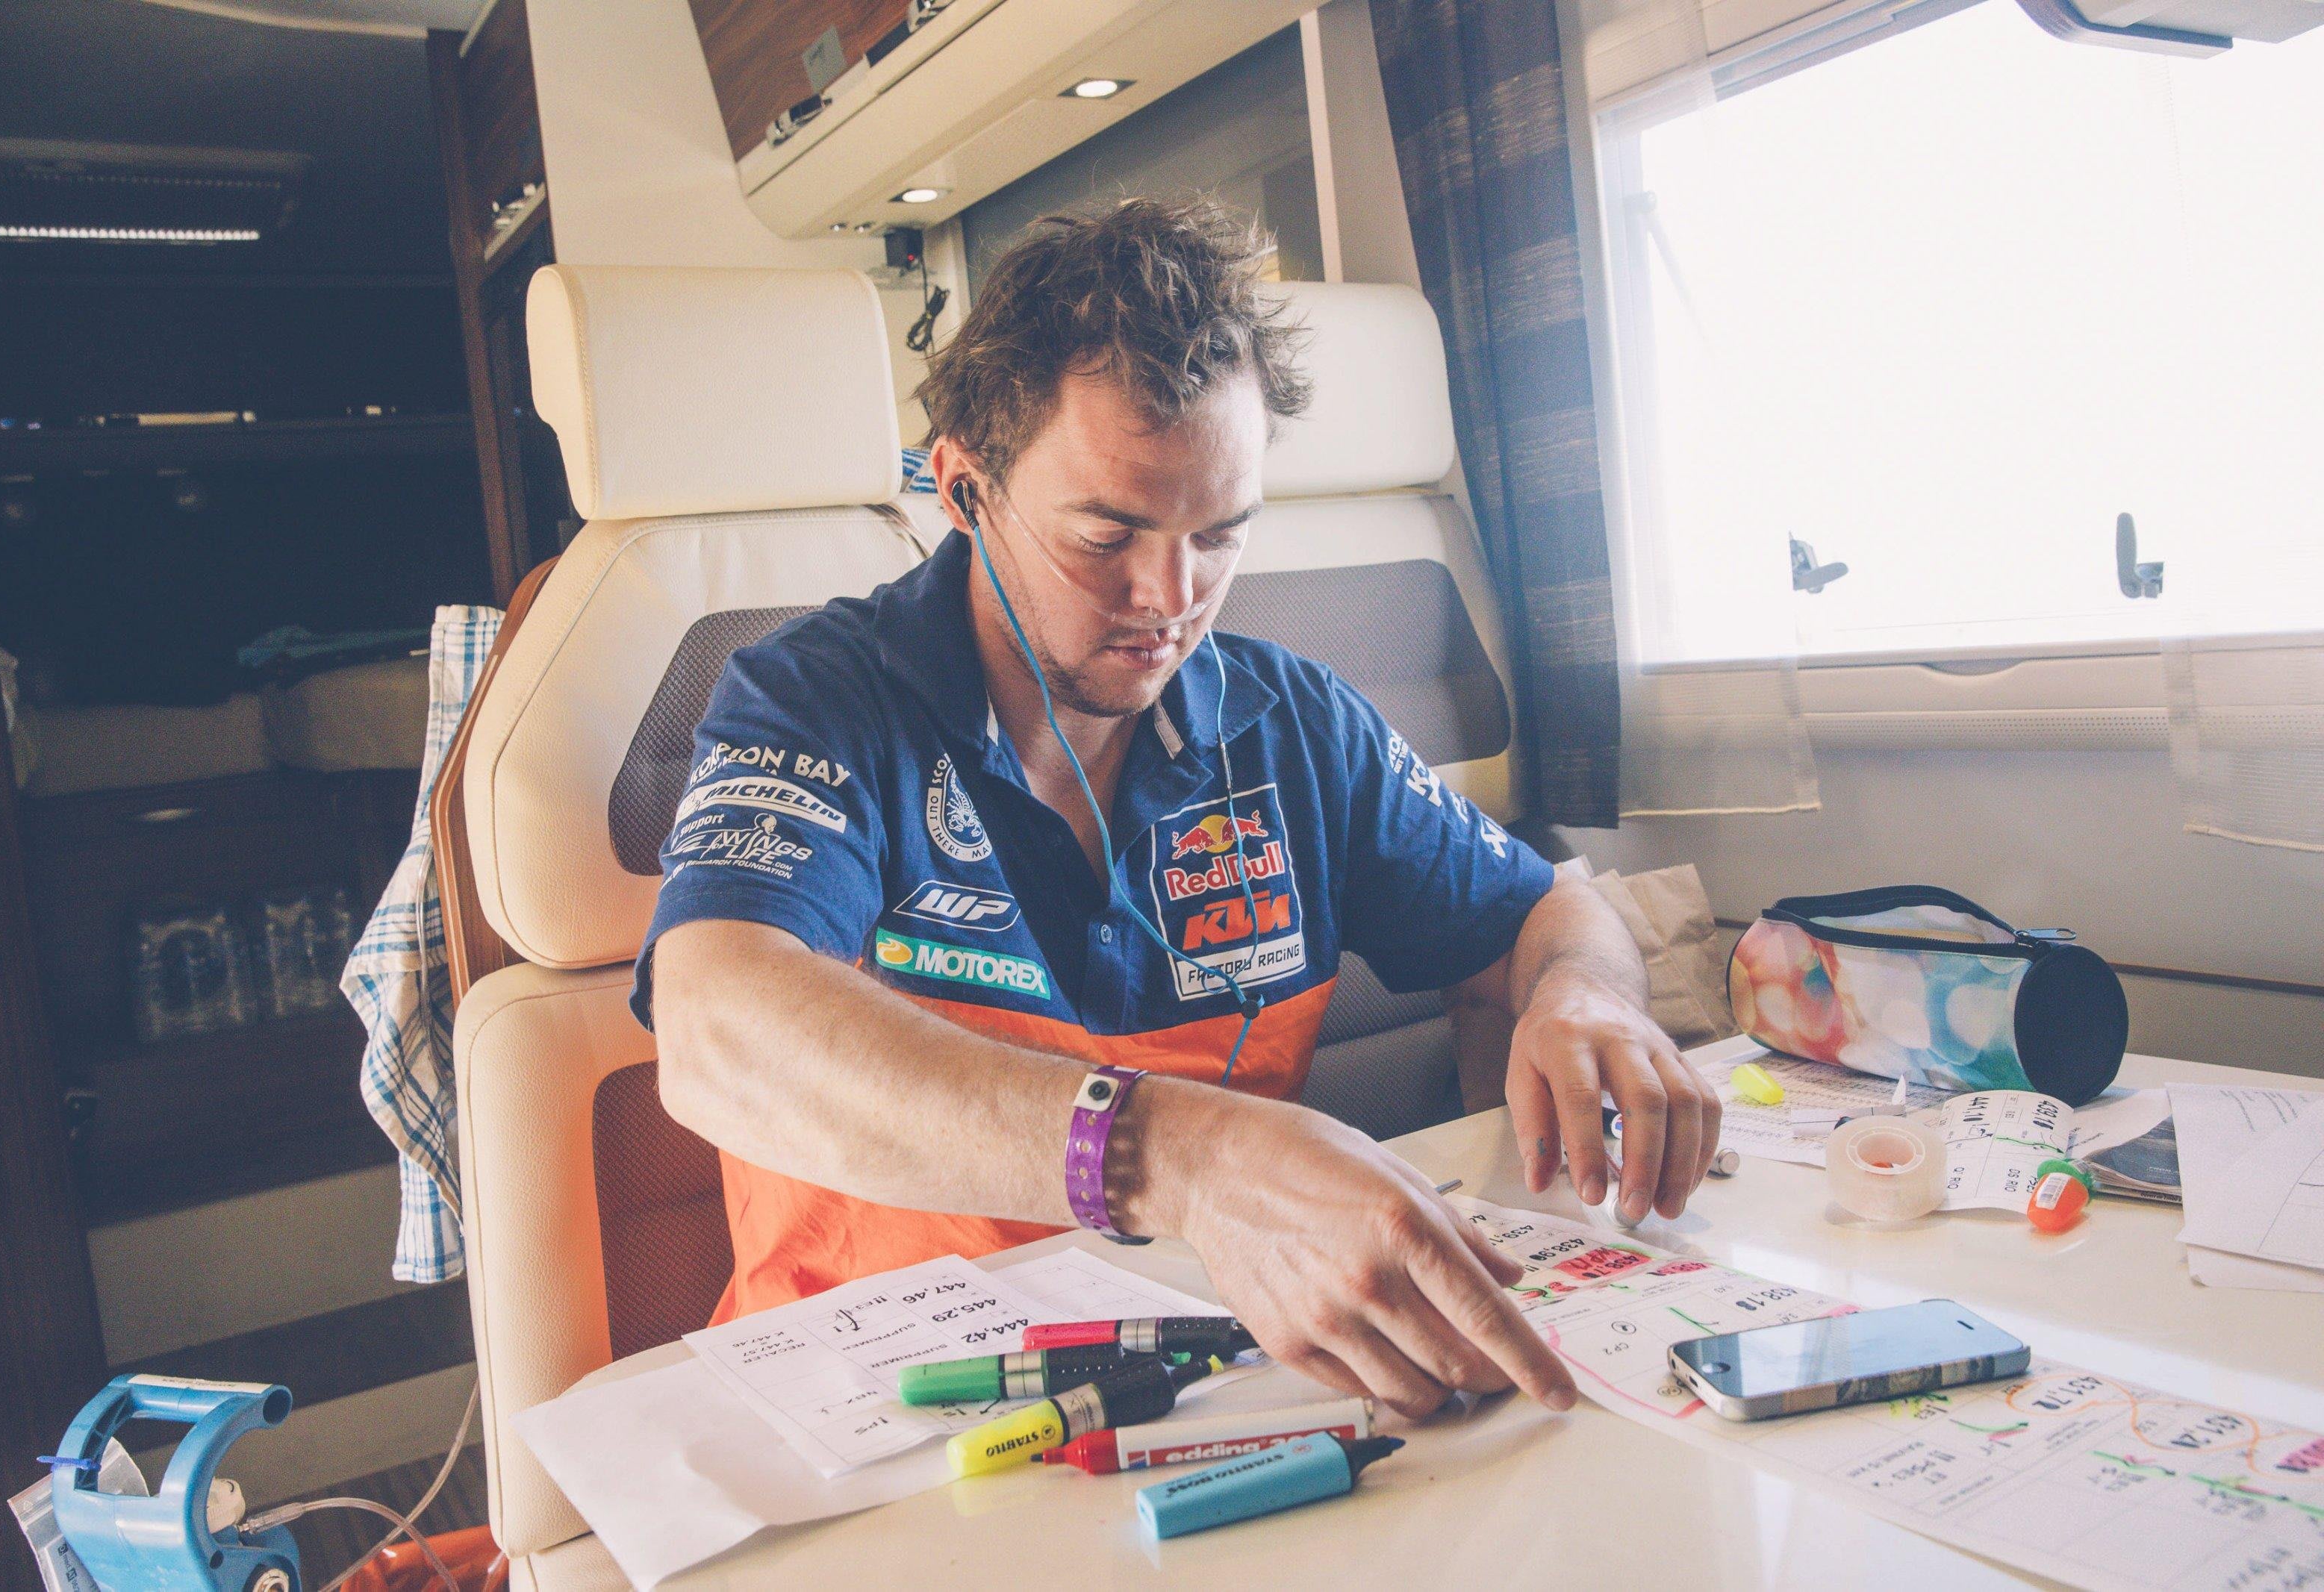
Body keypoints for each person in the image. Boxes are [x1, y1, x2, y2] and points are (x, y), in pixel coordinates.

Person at [641, 198, 1719, 1420]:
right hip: (885, 1404)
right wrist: (1183, 1159)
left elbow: (1548, 915)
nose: (1171, 597)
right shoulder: (816, 700)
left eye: (1220, 535)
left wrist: (1586, 993)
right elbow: (715, 1029)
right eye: (1107, 536)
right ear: (965, 487)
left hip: (1217, 1381)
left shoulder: (1295, 725)